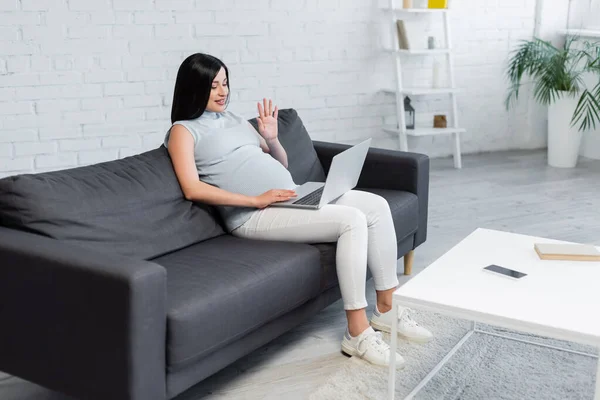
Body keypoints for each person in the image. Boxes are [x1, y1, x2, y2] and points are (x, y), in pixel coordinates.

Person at [164, 53, 433, 368]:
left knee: (375, 205)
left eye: (225, 83)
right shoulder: (183, 131)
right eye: (213, 86)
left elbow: (280, 164)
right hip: (253, 215)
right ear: (194, 88)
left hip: (291, 196)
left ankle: (387, 310)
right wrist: (256, 200)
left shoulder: (234, 119)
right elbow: (191, 188)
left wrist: (272, 139)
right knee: (352, 221)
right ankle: (357, 333)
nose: (223, 91)